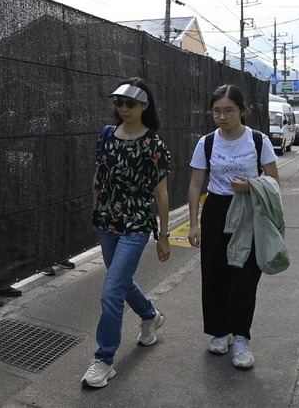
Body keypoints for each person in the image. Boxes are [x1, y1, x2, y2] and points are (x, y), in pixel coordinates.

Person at [81, 77, 172, 388]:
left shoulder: (153, 143)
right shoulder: (107, 134)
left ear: (145, 105)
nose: (122, 108)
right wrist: (96, 215)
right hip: (106, 221)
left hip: (135, 224)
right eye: (118, 103)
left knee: (111, 292)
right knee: (119, 282)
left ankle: (104, 359)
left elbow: (161, 195)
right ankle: (149, 315)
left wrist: (163, 235)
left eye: (129, 103)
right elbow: (98, 177)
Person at [186, 84, 280, 369]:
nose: (222, 117)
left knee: (244, 278)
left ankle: (240, 337)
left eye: (229, 111)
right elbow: (195, 184)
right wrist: (193, 223)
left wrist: (250, 185)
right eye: (217, 111)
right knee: (214, 274)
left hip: (249, 211)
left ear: (242, 111)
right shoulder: (207, 142)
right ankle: (219, 332)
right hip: (216, 210)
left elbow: (274, 181)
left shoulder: (258, 140)